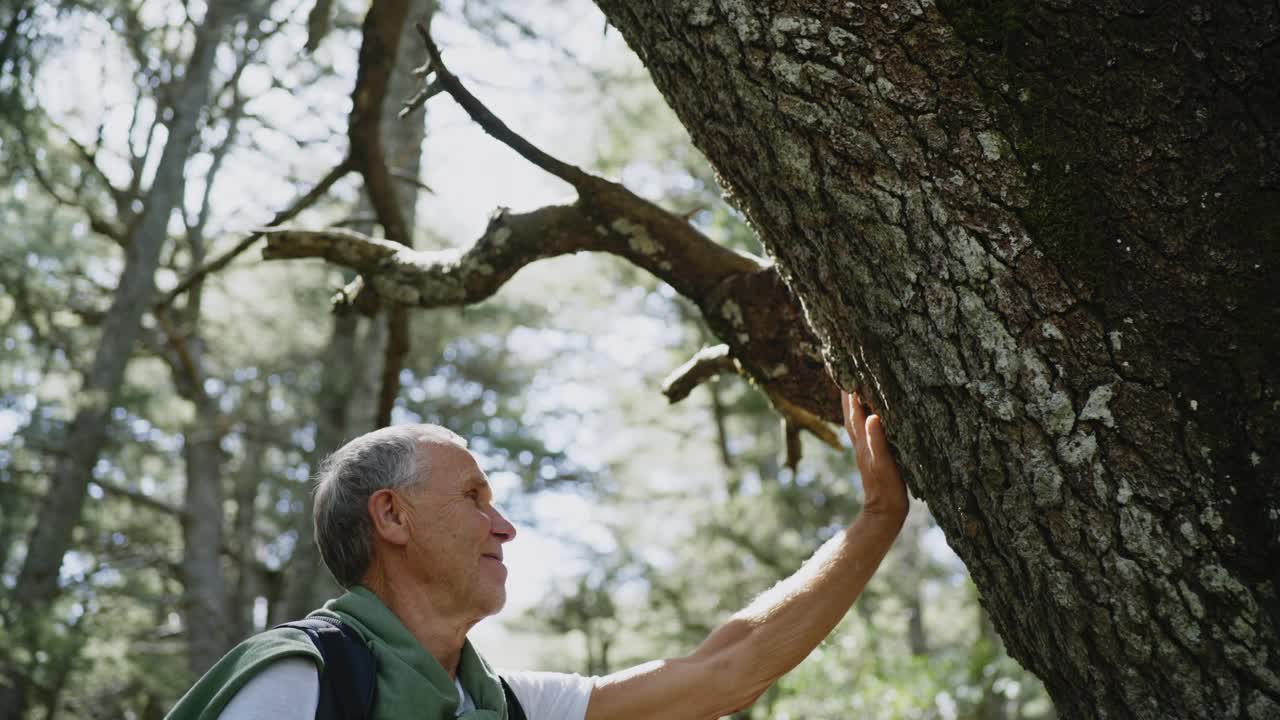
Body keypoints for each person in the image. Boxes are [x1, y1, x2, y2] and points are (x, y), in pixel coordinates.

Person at [166, 390, 908, 719]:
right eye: (474, 497)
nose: (505, 527)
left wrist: (877, 520)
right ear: (392, 515)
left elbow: (722, 676)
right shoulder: (303, 678)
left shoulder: (507, 707)